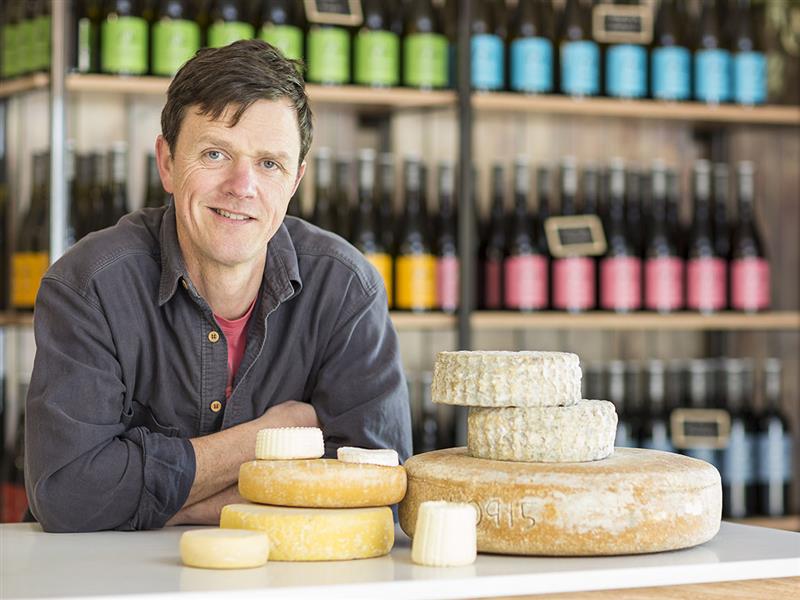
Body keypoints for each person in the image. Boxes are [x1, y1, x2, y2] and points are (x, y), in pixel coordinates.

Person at [24, 40, 412, 533]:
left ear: (295, 180)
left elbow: (379, 491)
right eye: (215, 154)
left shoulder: (347, 290)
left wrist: (166, 506)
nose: (241, 186)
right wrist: (264, 439)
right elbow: (69, 495)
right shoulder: (88, 286)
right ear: (167, 162)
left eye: (269, 164)